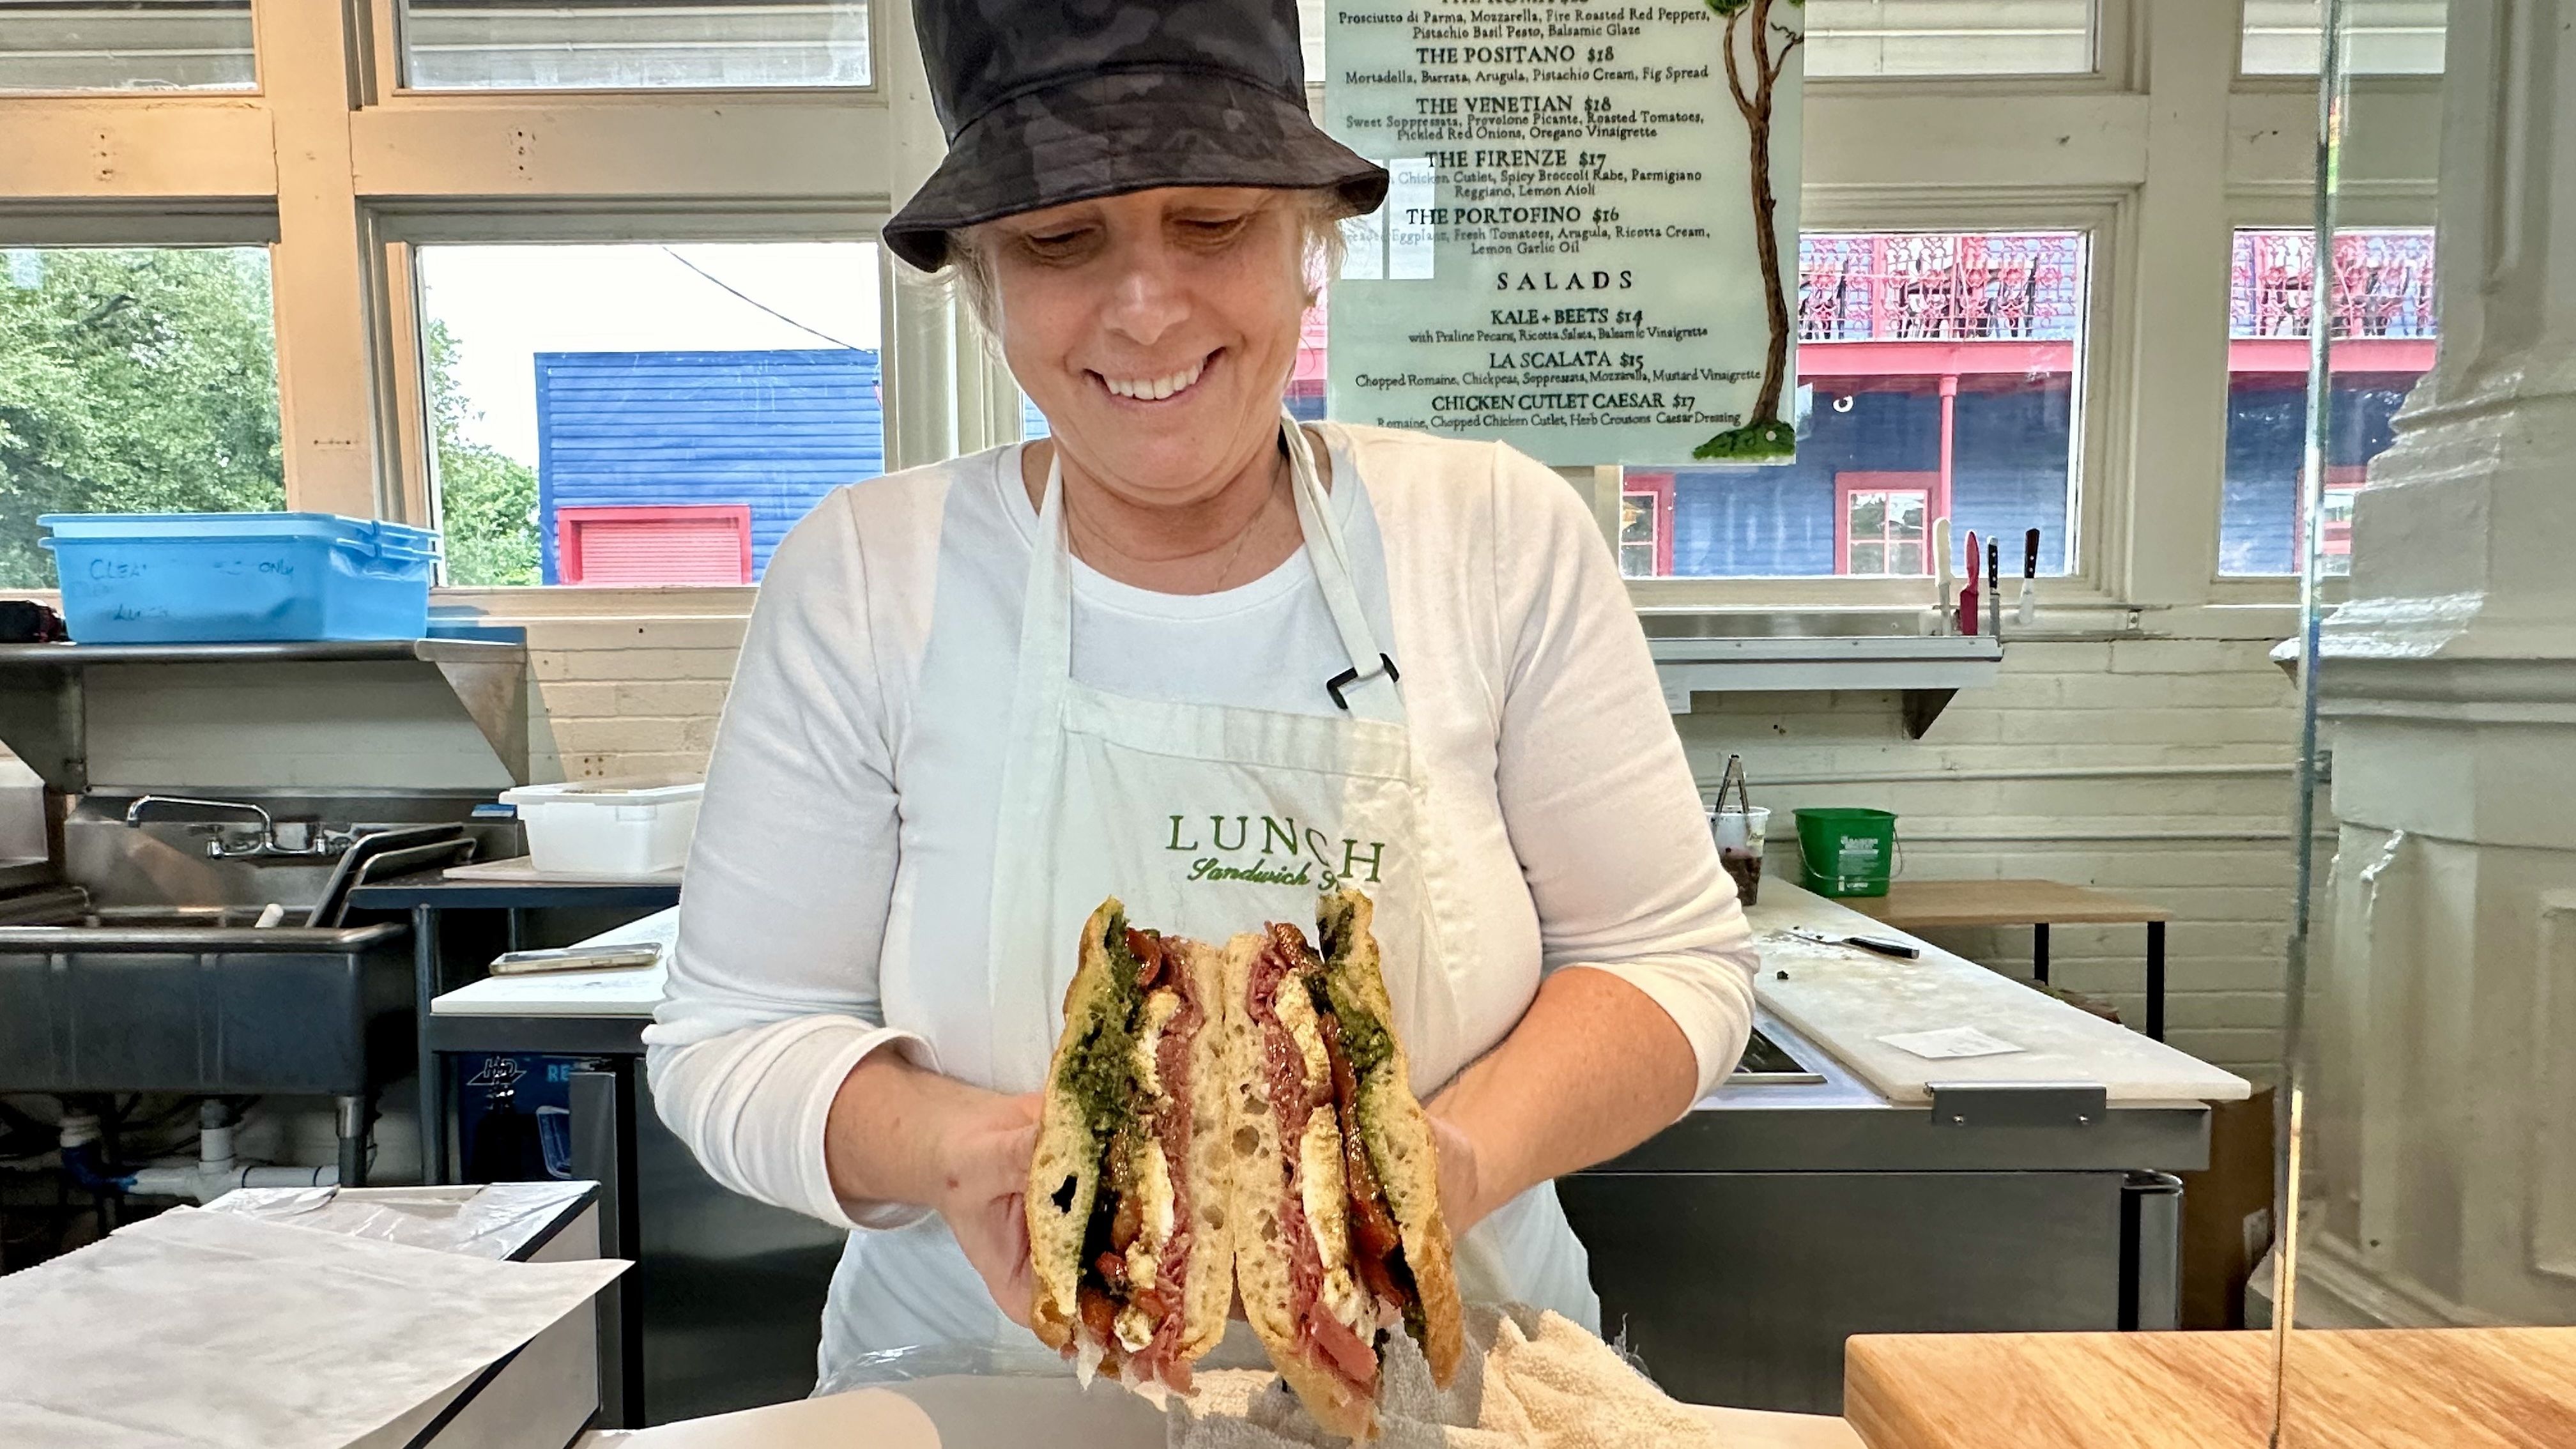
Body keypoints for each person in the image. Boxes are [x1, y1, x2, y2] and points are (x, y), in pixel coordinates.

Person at [643, 0, 1759, 1380]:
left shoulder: (1492, 536)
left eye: (1213, 222)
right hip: (986, 1390)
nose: (1146, 306)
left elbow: (1669, 959)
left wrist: (1455, 1158)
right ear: (983, 280)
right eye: (1060, 240)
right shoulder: (872, 577)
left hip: (1454, 1383)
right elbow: (731, 1038)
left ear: (1310, 243)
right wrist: (961, 1151)